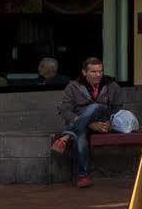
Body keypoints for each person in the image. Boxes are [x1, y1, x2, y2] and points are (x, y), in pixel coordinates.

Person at [50, 57, 125, 189]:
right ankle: (83, 176)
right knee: (80, 135)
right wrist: (89, 124)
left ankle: (66, 136)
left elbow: (118, 108)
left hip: (103, 122)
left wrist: (110, 122)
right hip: (82, 124)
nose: (98, 75)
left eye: (100, 71)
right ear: (84, 73)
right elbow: (64, 110)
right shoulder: (73, 86)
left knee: (95, 107)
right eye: (94, 72)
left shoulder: (111, 85)